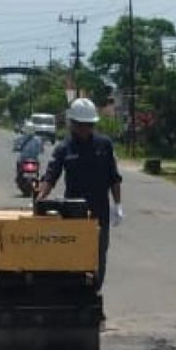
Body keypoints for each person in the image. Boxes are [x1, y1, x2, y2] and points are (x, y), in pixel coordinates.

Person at [37, 97, 122, 306]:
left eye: (89, 125)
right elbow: (51, 176)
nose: (85, 129)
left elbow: (114, 177)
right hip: (73, 213)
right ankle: (71, 300)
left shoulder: (105, 145)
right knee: (72, 257)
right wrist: (41, 196)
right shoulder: (64, 148)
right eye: (81, 125)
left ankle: (93, 299)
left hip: (99, 213)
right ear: (72, 124)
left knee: (98, 258)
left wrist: (118, 205)